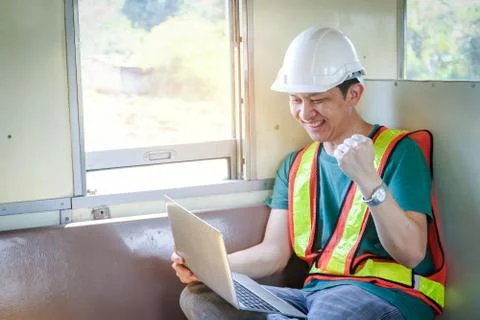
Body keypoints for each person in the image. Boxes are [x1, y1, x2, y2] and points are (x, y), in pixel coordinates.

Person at [171, 26, 446, 320]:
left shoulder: (400, 152)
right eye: (296, 100)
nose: (304, 113)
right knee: (200, 297)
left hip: (385, 294)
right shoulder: (296, 165)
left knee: (329, 311)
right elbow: (273, 254)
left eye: (317, 100)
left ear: (353, 94)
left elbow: (412, 253)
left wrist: (368, 180)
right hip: (313, 297)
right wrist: (209, 266)